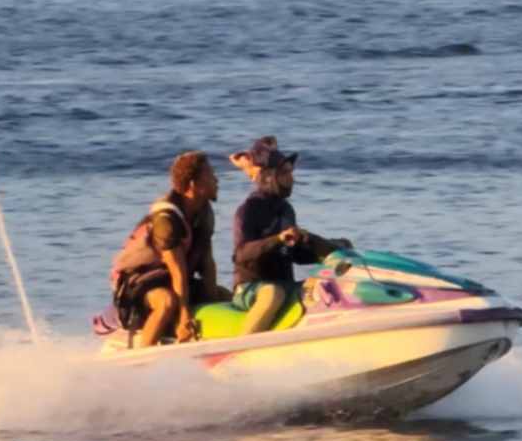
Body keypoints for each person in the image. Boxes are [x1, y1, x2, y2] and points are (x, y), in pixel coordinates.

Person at [231, 138, 351, 333]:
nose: (292, 179)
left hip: (285, 285)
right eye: (285, 173)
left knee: (325, 286)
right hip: (250, 288)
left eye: (291, 173)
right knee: (273, 293)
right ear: (269, 176)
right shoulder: (247, 211)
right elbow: (241, 255)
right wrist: (276, 240)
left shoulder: (286, 209)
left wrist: (329, 250)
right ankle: (239, 352)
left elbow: (296, 255)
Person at [111, 151, 224, 348]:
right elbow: (177, 271)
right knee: (167, 302)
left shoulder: (203, 211)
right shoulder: (166, 219)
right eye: (210, 175)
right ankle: (141, 359)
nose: (217, 179)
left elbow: (207, 263)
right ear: (193, 185)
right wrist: (184, 316)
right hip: (137, 284)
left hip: (173, 280)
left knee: (226, 298)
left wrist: (213, 298)